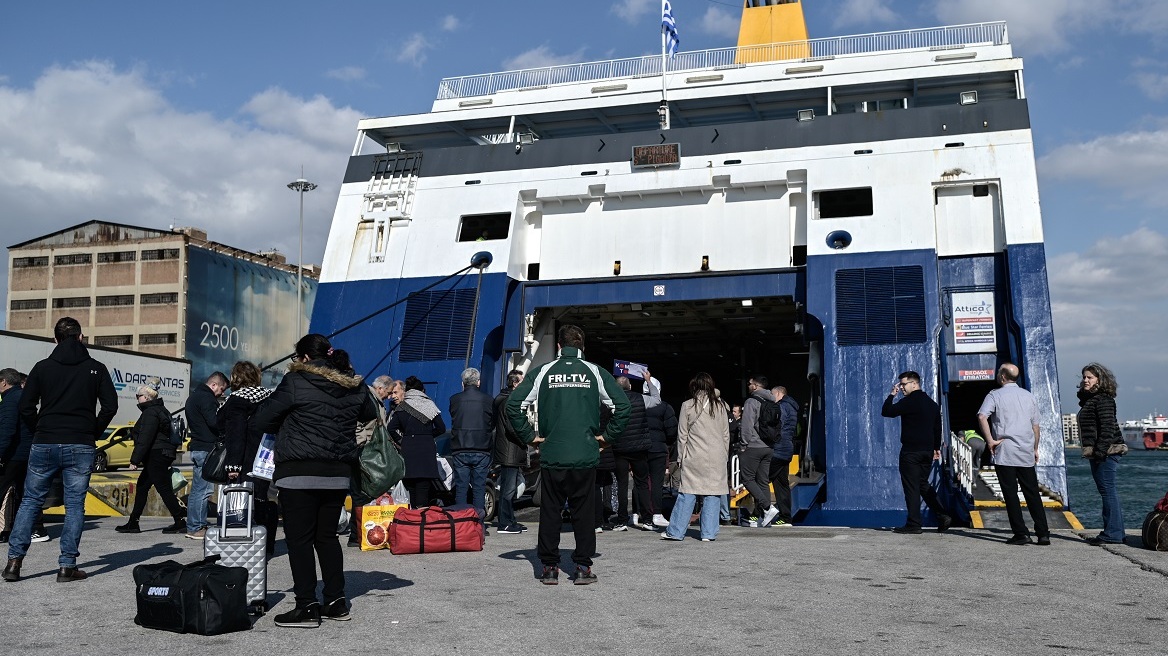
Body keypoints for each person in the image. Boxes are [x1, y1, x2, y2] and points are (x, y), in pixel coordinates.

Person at [254, 334, 378, 628]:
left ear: (305, 358)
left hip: (299, 471)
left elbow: (262, 420)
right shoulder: (352, 385)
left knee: (299, 540)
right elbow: (370, 412)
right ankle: (336, 601)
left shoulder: (295, 382)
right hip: (337, 473)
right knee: (327, 537)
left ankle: (306, 606)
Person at [506, 324, 631, 585]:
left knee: (550, 511)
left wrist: (530, 437)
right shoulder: (595, 372)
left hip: (553, 454)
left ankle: (549, 568)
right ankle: (583, 567)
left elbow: (514, 405)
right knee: (583, 513)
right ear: (582, 346)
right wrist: (607, 438)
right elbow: (623, 406)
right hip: (585, 455)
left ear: (559, 346)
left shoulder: (544, 372)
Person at [4, 317, 117, 583]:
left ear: (55, 339)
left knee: (31, 501)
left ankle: (13, 563)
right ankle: (67, 566)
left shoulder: (42, 368)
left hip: (45, 441)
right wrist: (92, 430)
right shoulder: (96, 368)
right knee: (75, 505)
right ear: (80, 337)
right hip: (80, 443)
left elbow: (25, 407)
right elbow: (109, 406)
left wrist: (40, 427)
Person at [977, 363, 1048, 546]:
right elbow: (1035, 426)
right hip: (1025, 451)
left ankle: (1021, 533)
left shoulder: (994, 395)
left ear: (1002, 376)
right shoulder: (1028, 396)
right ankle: (1043, 534)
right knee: (1032, 493)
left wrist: (990, 440)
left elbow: (982, 416)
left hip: (1005, 451)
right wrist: (1035, 448)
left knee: (1011, 494)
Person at [881, 370, 953, 534]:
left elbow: (886, 412)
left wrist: (892, 395)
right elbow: (937, 428)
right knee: (922, 484)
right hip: (927, 452)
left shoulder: (909, 402)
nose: (901, 388)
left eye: (903, 384)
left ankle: (914, 523)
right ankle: (942, 515)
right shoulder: (932, 404)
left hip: (911, 452)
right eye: (900, 385)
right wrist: (936, 448)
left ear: (914, 383)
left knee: (911, 487)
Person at [662, 373, 730, 542]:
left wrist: (681, 456)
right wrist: (725, 455)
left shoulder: (687, 405)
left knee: (687, 492)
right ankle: (708, 533)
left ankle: (676, 532)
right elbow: (725, 435)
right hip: (717, 456)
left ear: (695, 387)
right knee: (713, 494)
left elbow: (682, 434)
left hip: (694, 455)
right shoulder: (720, 406)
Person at [218, 361, 277, 553]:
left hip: (246, 459)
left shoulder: (237, 400)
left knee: (242, 501)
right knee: (265, 499)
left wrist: (233, 466)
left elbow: (236, 434)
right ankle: (267, 543)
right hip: (268, 456)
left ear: (236, 378)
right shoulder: (269, 397)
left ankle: (246, 540)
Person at [114, 385, 186, 534]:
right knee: (142, 486)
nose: (137, 399)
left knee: (163, 488)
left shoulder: (150, 412)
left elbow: (145, 438)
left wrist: (135, 460)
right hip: (162, 453)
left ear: (146, 398)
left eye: (138, 396)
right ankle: (133, 522)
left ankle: (180, 521)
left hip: (156, 455)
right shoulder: (161, 410)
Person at [1077, 362, 1126, 546]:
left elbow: (1107, 428)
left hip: (1106, 452)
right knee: (1108, 491)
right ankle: (1116, 532)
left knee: (1108, 491)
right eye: (1084, 377)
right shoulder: (1092, 400)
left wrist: (1099, 453)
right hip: (1101, 452)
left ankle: (1112, 533)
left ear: (1100, 379)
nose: (1085, 380)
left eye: (1089, 377)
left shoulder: (1103, 400)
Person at [0, 368, 48, 544]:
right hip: (27, 453)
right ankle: (33, 528)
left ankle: (32, 528)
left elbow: (7, 430)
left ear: (4, 382)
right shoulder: (21, 398)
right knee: (26, 493)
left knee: (8, 490)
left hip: (15, 454)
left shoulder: (11, 400)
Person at [388, 376, 445, 509]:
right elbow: (441, 428)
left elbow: (391, 428)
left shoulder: (402, 407)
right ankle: (421, 520)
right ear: (422, 390)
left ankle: (412, 516)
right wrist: (427, 436)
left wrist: (403, 440)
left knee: (411, 487)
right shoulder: (429, 404)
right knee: (423, 487)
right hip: (426, 449)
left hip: (408, 450)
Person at [612, 373, 659, 531]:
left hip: (620, 447)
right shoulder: (640, 398)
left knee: (622, 484)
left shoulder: (612, 401)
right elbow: (656, 400)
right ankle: (647, 520)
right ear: (630, 386)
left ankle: (622, 520)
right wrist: (648, 381)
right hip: (639, 447)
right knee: (642, 483)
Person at [449, 367, 495, 527]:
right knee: (479, 487)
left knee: (461, 487)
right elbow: (492, 423)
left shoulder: (454, 399)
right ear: (479, 382)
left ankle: (461, 524)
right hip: (481, 448)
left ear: (463, 384)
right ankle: (478, 524)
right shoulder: (488, 400)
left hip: (460, 447)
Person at [185, 371, 228, 540]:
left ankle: (194, 524)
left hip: (197, 447)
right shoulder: (207, 398)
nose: (222, 393)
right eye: (222, 389)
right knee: (203, 490)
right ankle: (196, 527)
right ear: (214, 385)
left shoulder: (194, 397)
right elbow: (215, 422)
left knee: (197, 489)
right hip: (206, 449)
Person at [740, 375, 781, 527]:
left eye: (750, 383)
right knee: (763, 481)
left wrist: (743, 444)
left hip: (754, 446)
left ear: (756, 386)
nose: (748, 385)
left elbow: (747, 425)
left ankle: (768, 507)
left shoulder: (752, 401)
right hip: (768, 447)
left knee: (748, 479)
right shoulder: (772, 401)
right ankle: (767, 518)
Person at [492, 369, 528, 534]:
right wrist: (526, 438)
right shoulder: (509, 401)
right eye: (521, 381)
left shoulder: (505, 399)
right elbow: (512, 427)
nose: (524, 384)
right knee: (508, 490)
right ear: (514, 384)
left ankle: (510, 520)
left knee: (510, 488)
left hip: (509, 450)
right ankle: (505, 523)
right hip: (510, 451)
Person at [644, 378, 677, 529]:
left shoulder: (636, 404)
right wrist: (666, 443)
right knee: (657, 482)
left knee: (641, 482)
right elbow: (672, 430)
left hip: (639, 447)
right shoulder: (664, 407)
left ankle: (640, 514)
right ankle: (656, 514)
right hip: (658, 447)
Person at [768, 385, 799, 527]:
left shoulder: (782, 406)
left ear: (779, 393)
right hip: (787, 449)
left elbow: (777, 425)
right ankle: (785, 518)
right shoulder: (792, 407)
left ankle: (760, 514)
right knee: (781, 484)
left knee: (761, 479)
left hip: (778, 448)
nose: (771, 397)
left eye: (772, 394)